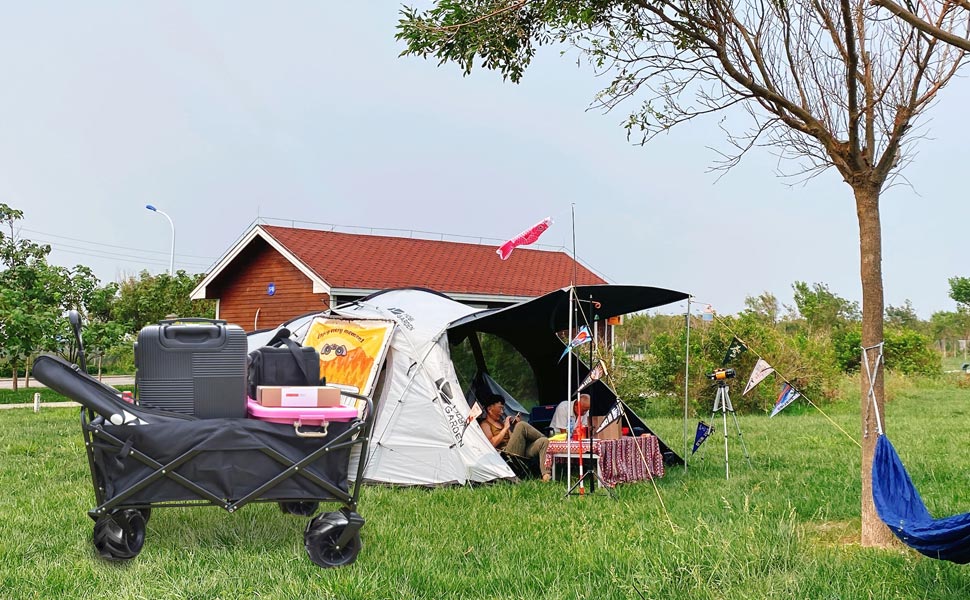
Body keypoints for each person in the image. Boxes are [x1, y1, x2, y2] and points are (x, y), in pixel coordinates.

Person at [480, 395, 552, 482]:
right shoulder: (485, 424)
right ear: (489, 409)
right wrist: (506, 428)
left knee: (543, 441)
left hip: (517, 451)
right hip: (505, 454)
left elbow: (512, 439)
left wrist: (515, 428)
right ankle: (549, 439)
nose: (502, 412)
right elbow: (491, 444)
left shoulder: (501, 423)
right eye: (500, 408)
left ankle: (546, 476)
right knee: (521, 425)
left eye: (503, 409)